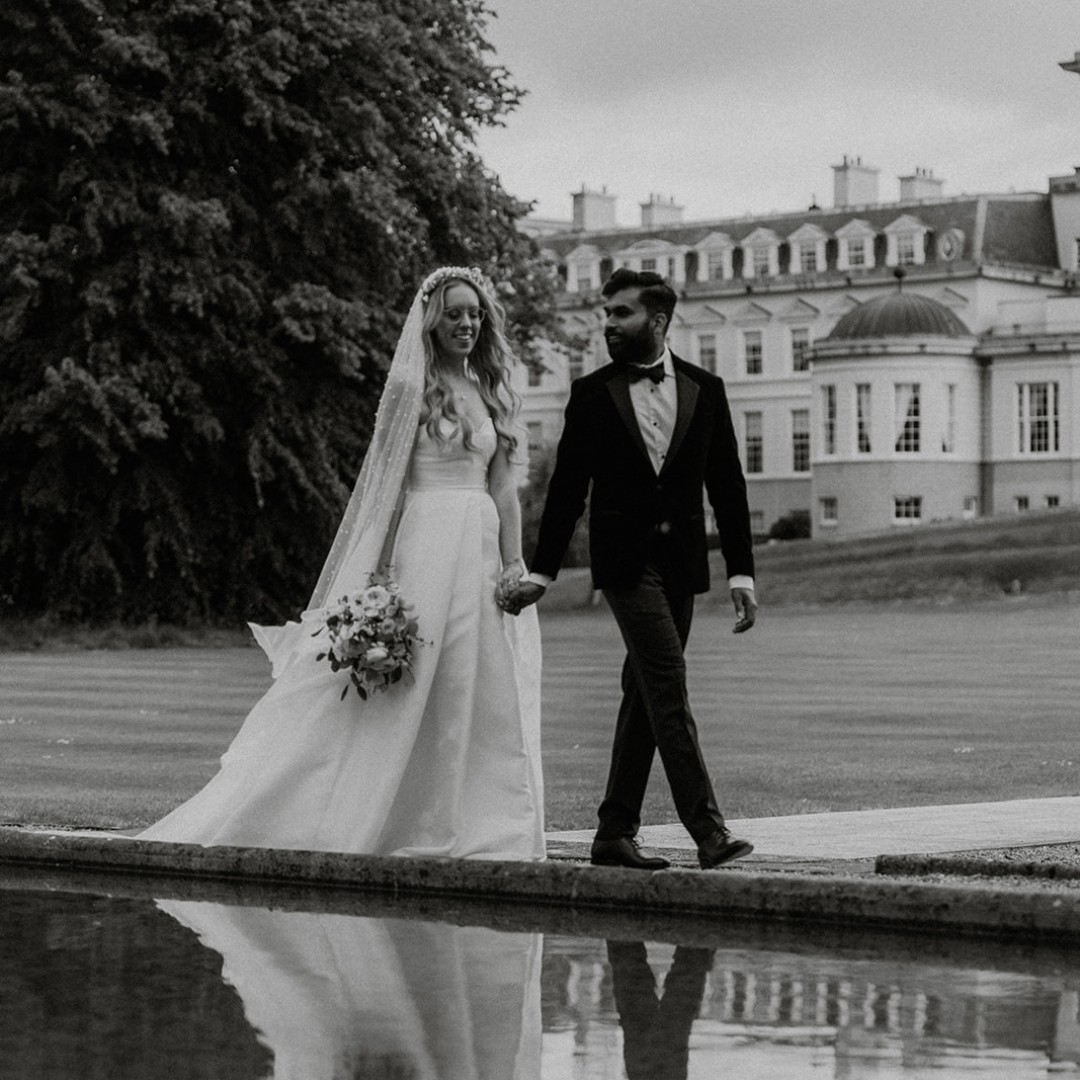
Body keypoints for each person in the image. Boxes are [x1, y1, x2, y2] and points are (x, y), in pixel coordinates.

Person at [140, 267, 545, 860]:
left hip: (482, 549)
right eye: (455, 313)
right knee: (419, 683)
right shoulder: (413, 391)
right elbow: (384, 491)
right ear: (431, 321)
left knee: (477, 682)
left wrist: (513, 561)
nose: (467, 323)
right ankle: (387, 817)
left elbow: (505, 488)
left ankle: (481, 823)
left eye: (476, 314)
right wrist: (378, 581)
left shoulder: (492, 391)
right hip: (428, 543)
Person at [506, 268, 756, 871]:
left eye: (621, 313)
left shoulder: (706, 388)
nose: (608, 324)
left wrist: (742, 574)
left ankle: (613, 834)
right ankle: (709, 831)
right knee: (667, 682)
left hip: (683, 566)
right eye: (607, 314)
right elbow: (567, 488)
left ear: (659, 320)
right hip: (624, 565)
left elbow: (727, 485)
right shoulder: (592, 394)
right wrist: (543, 572)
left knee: (643, 695)